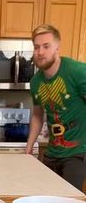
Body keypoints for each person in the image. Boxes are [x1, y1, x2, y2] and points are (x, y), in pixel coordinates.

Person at [26, 24, 86, 191]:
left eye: (46, 46)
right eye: (36, 47)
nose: (40, 52)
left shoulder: (77, 71)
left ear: (57, 48)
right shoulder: (36, 82)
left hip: (77, 152)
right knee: (45, 198)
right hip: (52, 152)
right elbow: (38, 116)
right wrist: (29, 146)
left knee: (69, 201)